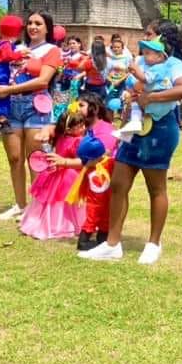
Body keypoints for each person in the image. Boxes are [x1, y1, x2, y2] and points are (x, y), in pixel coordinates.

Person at [80, 26, 182, 264]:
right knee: (118, 184)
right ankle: (112, 244)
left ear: (162, 38)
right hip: (134, 127)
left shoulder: (173, 64)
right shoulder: (140, 61)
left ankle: (153, 244)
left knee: (156, 188)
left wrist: (150, 98)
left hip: (159, 129)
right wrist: (129, 101)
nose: (145, 38)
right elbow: (131, 86)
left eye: (149, 34)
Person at [0, 12, 62, 221]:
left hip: (36, 106)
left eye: (38, 23)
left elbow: (43, 81)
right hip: (10, 106)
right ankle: (20, 204)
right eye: (30, 23)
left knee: (36, 159)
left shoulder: (52, 50)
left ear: (47, 28)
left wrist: (8, 90)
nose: (33, 27)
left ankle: (37, 207)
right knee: (14, 158)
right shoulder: (16, 48)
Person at [19, 110, 88, 240]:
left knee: (53, 199)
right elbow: (80, 160)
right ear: (68, 129)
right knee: (62, 201)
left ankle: (47, 222)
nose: (84, 128)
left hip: (57, 171)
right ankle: (62, 224)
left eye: (83, 125)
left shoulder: (60, 137)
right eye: (80, 126)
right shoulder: (78, 141)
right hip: (68, 174)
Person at [75, 93, 119, 251]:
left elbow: (104, 154)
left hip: (102, 175)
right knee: (98, 206)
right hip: (95, 176)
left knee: (100, 206)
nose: (77, 109)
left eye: (81, 105)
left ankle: (93, 237)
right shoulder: (86, 128)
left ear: (94, 108)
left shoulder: (105, 129)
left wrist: (69, 163)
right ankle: (92, 238)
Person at [0, 15, 25, 135]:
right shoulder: (6, 43)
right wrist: (21, 54)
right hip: (0, 72)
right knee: (4, 95)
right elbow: (7, 56)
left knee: (1, 96)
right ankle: (1, 120)